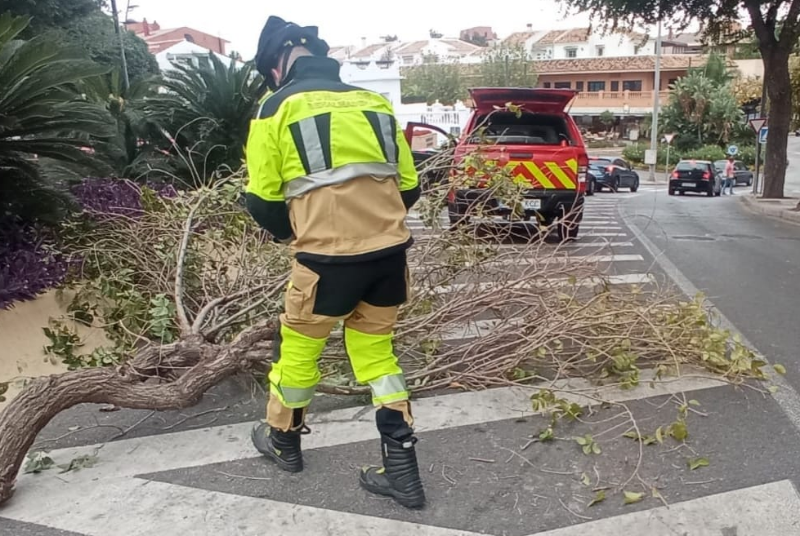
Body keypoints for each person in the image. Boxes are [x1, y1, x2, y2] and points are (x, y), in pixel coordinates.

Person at [243, 15, 425, 509]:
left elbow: (262, 201)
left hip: (325, 264)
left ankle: (285, 443)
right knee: (378, 359)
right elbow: (409, 186)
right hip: (389, 259)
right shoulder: (375, 103)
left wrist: (296, 232)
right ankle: (403, 471)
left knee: (300, 353)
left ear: (278, 64)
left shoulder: (275, 107)